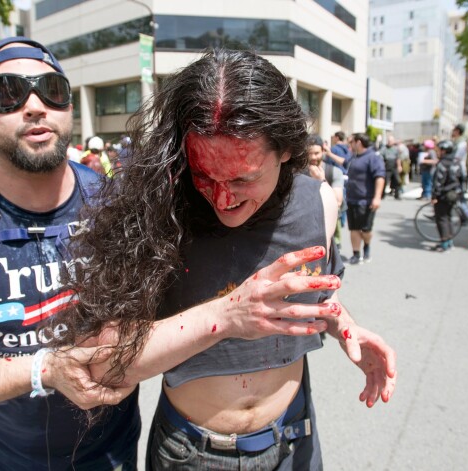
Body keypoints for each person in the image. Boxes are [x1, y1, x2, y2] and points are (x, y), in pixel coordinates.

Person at [0, 38, 344, 471]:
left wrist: (344, 322)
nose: (33, 106)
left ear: (69, 107)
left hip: (112, 457)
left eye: (51, 90)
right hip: (3, 460)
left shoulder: (121, 202)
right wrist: (42, 369)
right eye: (6, 93)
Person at [55, 49, 396, 471]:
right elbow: (102, 362)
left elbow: (310, 291)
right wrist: (227, 316)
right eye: (204, 176)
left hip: (294, 439)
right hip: (192, 453)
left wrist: (348, 329)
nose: (222, 199)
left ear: (287, 149)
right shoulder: (155, 215)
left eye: (242, 178)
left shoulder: (318, 202)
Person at [346, 132, 386, 264]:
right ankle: (356, 254)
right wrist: (328, 154)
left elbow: (380, 177)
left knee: (366, 230)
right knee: (354, 228)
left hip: (366, 200)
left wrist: (377, 197)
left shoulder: (373, 157)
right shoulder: (354, 157)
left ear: (358, 142)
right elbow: (344, 162)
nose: (350, 145)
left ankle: (367, 247)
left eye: (351, 142)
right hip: (352, 199)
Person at [308, 134, 344, 246]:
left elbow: (338, 201)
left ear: (323, 151)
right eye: (309, 153)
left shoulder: (334, 172)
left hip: (328, 225)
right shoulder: (297, 172)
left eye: (316, 153)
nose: (313, 157)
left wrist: (322, 180)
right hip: (306, 225)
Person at [430, 140, 461, 252]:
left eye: (439, 150)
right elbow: (461, 178)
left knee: (441, 219)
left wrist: (434, 196)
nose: (437, 152)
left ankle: (444, 242)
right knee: (448, 217)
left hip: (443, 195)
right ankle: (449, 241)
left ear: (444, 151)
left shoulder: (442, 164)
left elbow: (438, 182)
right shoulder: (456, 162)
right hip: (453, 194)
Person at [380, 135, 402, 200]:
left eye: (391, 141)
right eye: (388, 141)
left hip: (394, 166)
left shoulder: (396, 149)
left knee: (397, 181)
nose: (389, 142)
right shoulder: (384, 148)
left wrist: (399, 166)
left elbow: (398, 158)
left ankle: (397, 195)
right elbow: (381, 157)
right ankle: (382, 195)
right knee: (385, 181)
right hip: (387, 167)